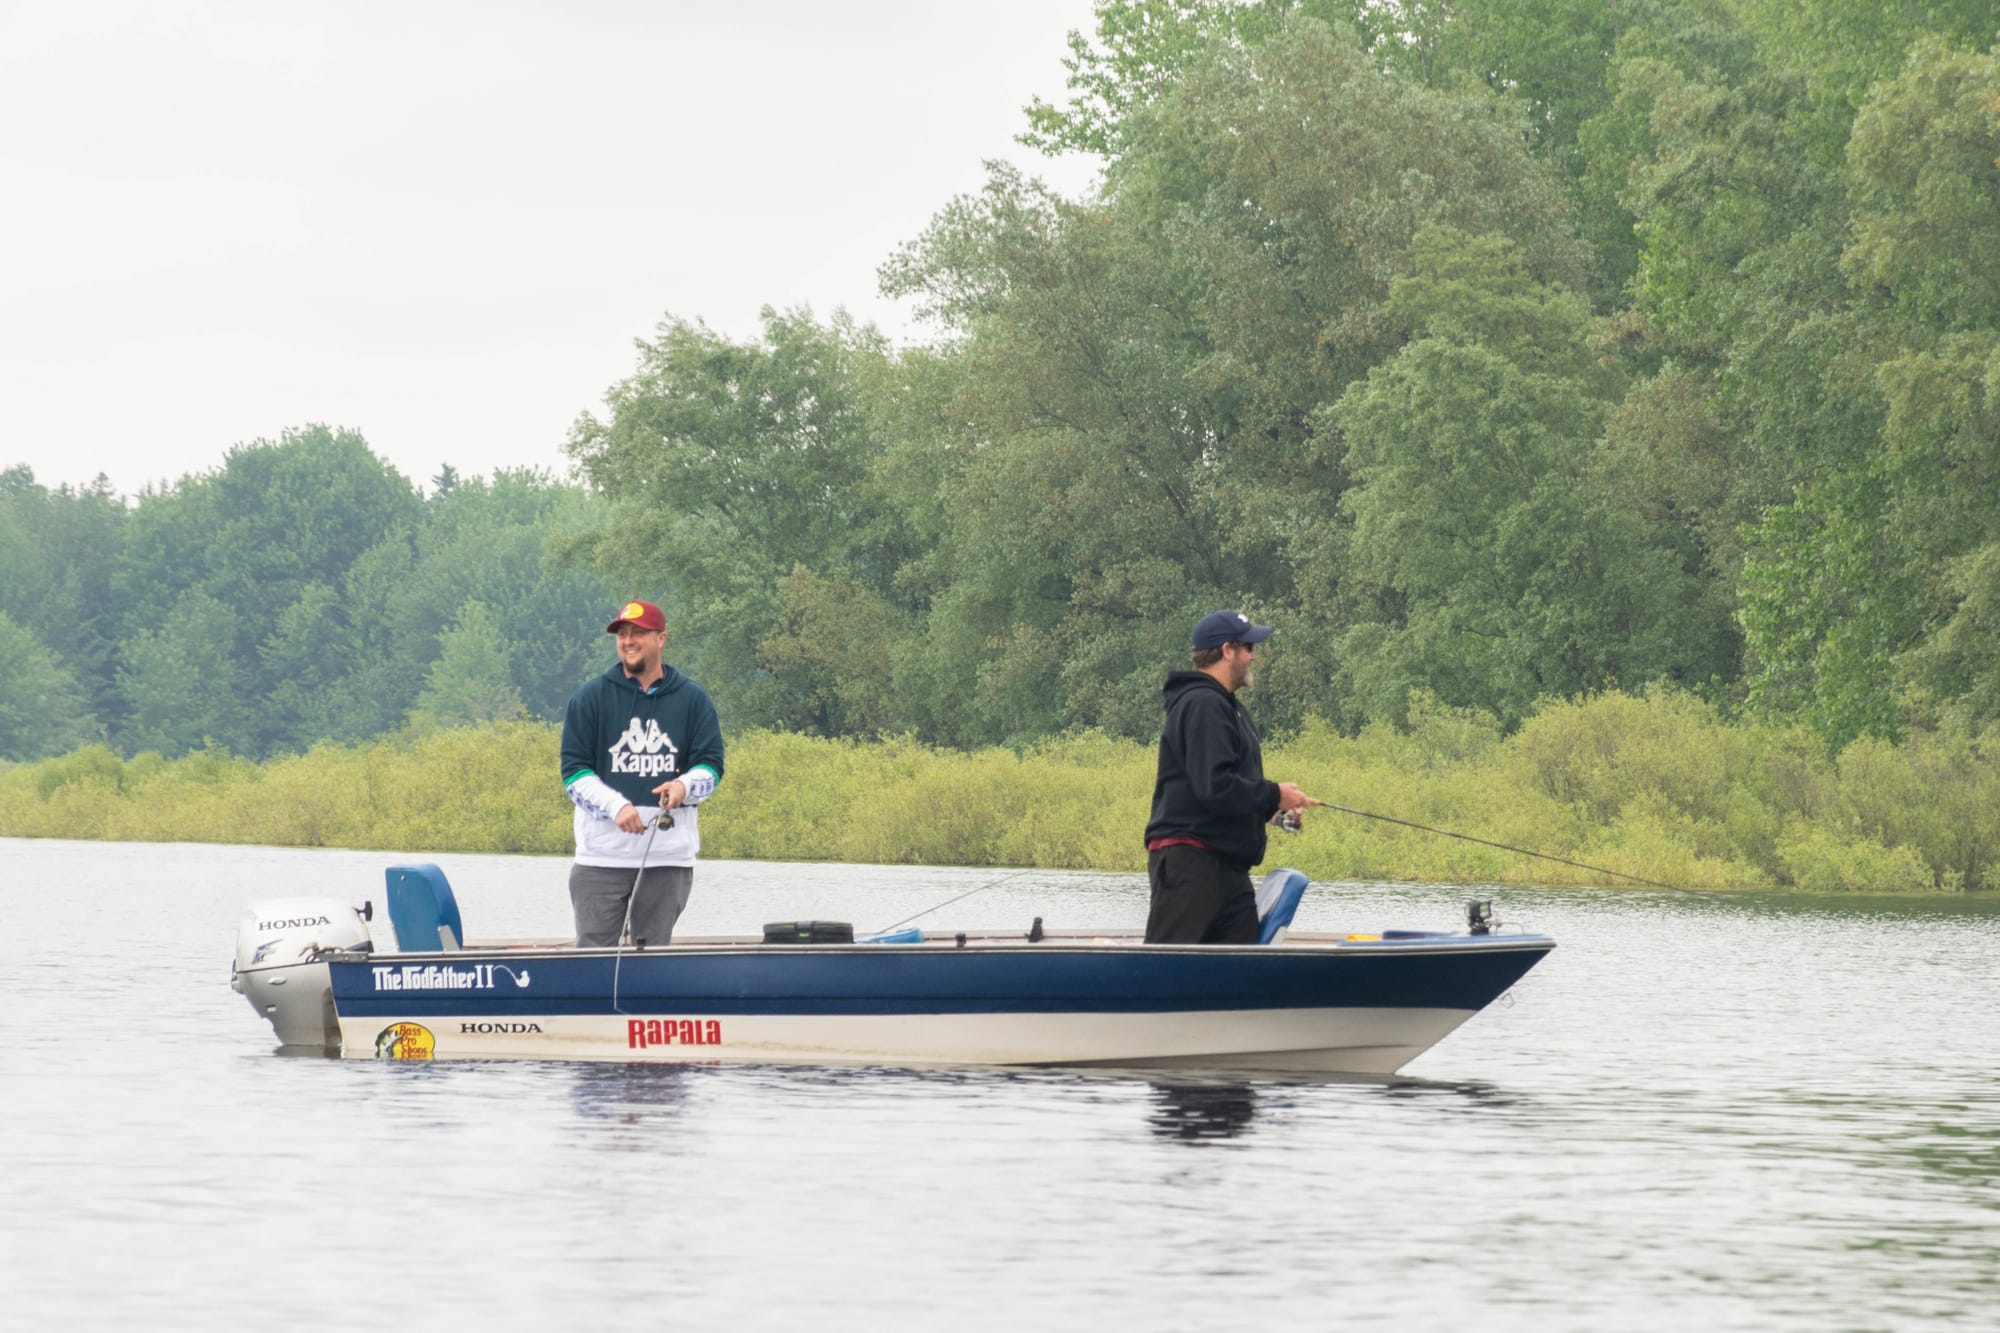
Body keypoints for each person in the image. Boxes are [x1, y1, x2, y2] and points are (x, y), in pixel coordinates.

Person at [560, 599, 724, 947]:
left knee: (652, 960)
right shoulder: (589, 698)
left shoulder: (693, 699)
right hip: (600, 859)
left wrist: (683, 786)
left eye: (638, 633)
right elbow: (574, 773)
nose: (628, 641)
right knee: (592, 960)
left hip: (667, 860)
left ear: (661, 639)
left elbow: (710, 766)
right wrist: (616, 806)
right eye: (622, 634)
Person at [1143, 609, 1313, 944]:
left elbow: (1224, 789)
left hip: (1228, 868)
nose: (1253, 656)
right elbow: (1215, 786)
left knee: (1240, 967)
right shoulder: (1203, 703)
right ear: (1226, 651)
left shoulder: (1226, 705)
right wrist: (1274, 794)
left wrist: (1273, 812)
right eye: (1248, 647)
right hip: (1191, 863)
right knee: (1170, 967)